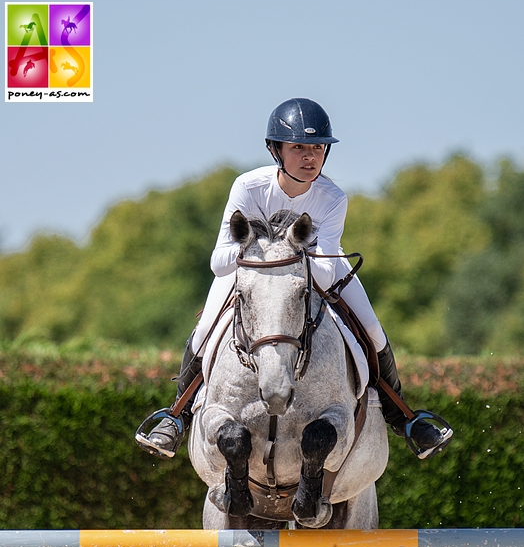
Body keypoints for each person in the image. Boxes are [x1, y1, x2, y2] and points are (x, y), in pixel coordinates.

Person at [136, 98, 452, 460]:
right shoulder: (248, 187)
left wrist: (295, 258)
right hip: (253, 272)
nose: (310, 156)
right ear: (276, 150)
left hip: (318, 270)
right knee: (207, 328)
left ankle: (404, 418)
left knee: (373, 330)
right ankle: (175, 418)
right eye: (298, 147)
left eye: (317, 148)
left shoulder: (333, 198)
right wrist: (257, 258)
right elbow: (218, 261)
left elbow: (326, 270)